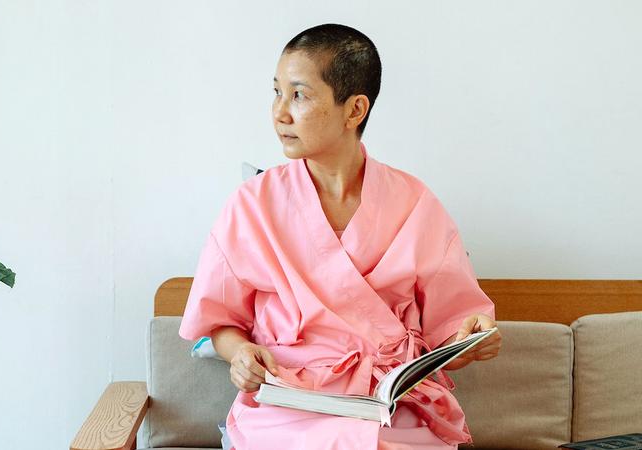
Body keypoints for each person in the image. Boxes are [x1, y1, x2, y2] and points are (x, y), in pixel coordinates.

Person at [179, 23, 502, 450]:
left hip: (392, 405)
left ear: (354, 110)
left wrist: (472, 338)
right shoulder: (252, 205)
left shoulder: (415, 203)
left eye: (299, 95)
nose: (280, 113)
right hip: (290, 403)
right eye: (277, 92)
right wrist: (239, 354)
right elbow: (218, 322)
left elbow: (452, 328)